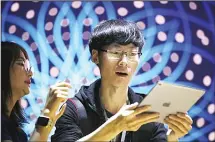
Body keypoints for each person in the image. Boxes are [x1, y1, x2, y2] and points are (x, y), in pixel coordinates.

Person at [51, 19, 193, 142]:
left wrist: (173, 137)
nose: (124, 61)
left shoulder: (148, 110)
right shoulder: (72, 108)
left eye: (132, 54)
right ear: (95, 56)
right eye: (115, 52)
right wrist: (115, 127)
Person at [1, 41, 71, 142]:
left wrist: (49, 119)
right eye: (21, 64)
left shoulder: (19, 134)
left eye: (28, 66)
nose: (30, 73)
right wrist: (47, 112)